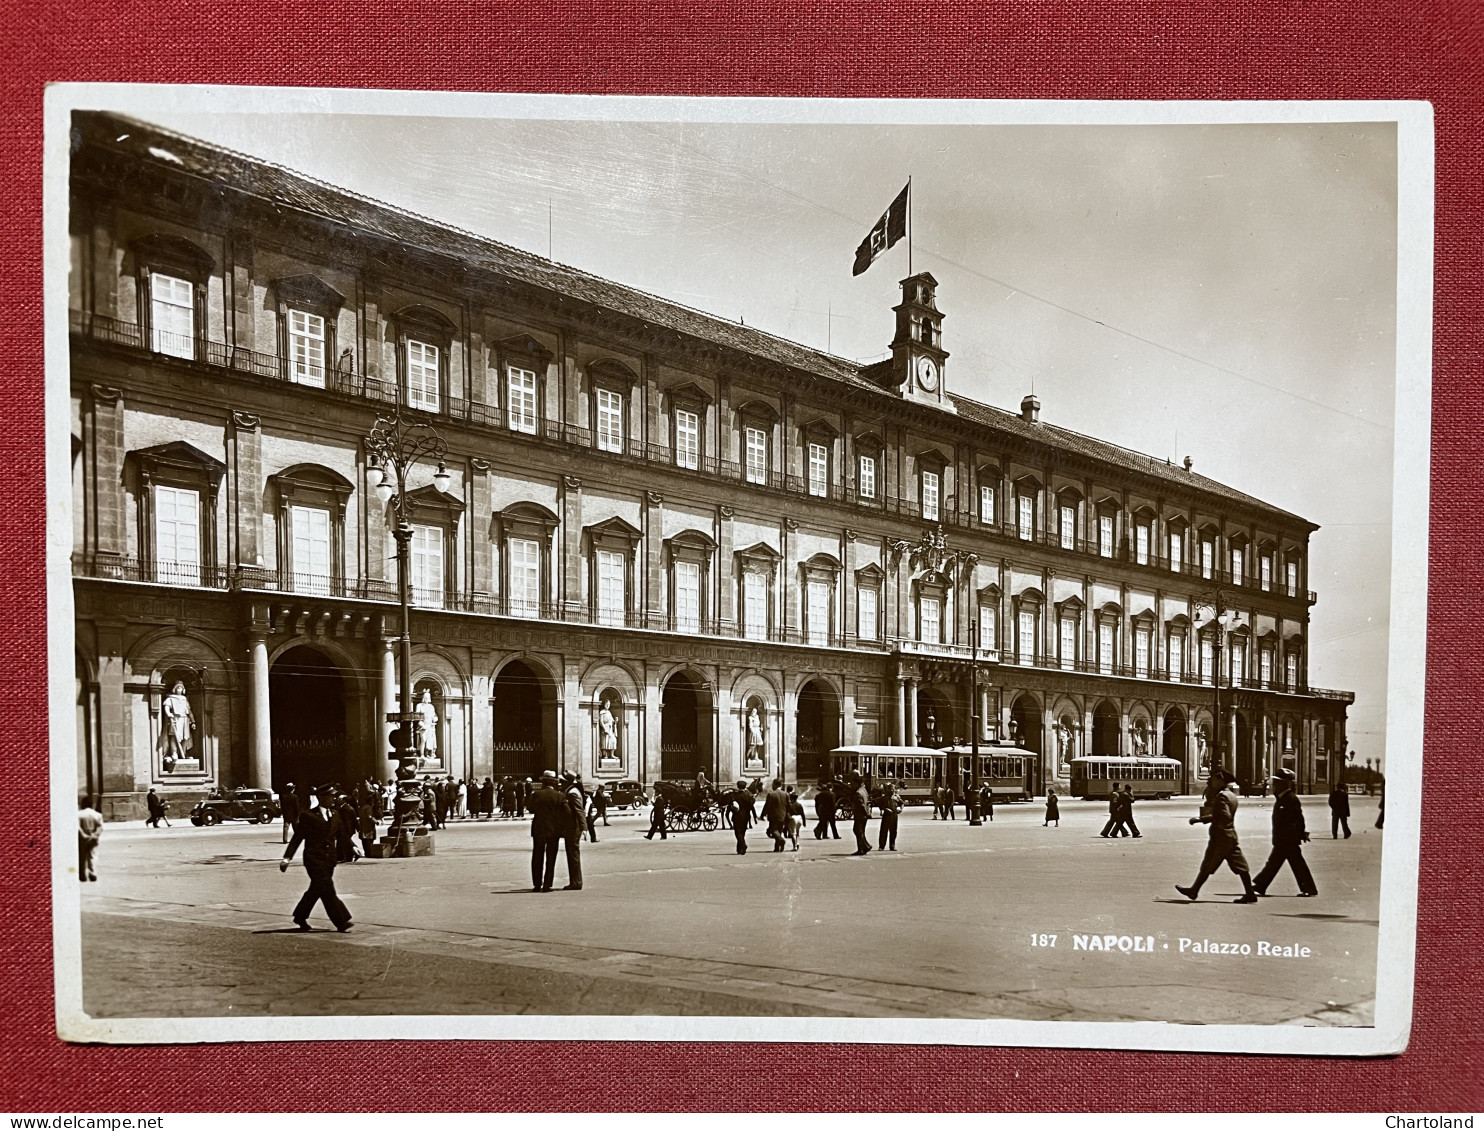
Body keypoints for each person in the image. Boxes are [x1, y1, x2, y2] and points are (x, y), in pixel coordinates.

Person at [1176, 768, 1259, 904]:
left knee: (1213, 864)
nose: (1212, 781)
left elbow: (1223, 816)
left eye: (1214, 778)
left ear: (1220, 780)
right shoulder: (1231, 795)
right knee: (1234, 865)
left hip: (1221, 837)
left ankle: (1194, 891)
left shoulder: (1222, 796)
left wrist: (1201, 819)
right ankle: (1194, 890)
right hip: (1228, 835)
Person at [280, 784, 353, 931]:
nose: (334, 799)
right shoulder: (309, 816)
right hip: (314, 860)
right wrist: (287, 857)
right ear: (321, 798)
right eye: (331, 796)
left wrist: (353, 847)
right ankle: (341, 921)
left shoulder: (335, 814)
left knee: (316, 890)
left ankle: (300, 917)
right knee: (327, 888)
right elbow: (298, 838)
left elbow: (342, 835)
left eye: (334, 796)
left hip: (329, 860)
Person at [1252, 768, 1318, 898]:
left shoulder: (1291, 799)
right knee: (1278, 863)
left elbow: (1298, 819)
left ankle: (1309, 888)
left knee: (1288, 864)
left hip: (1288, 840)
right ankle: (1261, 885)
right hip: (1283, 839)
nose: (1275, 784)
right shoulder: (1282, 798)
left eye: (1278, 782)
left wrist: (1299, 834)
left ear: (1286, 783)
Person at [527, 771, 567, 891]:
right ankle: (547, 884)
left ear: (543, 782)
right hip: (554, 830)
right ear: (554, 783)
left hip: (539, 828)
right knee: (551, 857)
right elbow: (566, 812)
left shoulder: (536, 794)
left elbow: (530, 809)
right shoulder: (560, 795)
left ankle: (537, 884)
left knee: (537, 856)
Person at [561, 774, 586, 890]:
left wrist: (583, 827)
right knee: (572, 855)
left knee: (573, 855)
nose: (561, 783)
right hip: (572, 827)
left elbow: (579, 810)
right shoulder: (571, 791)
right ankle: (575, 881)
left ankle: (576, 882)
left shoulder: (572, 793)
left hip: (573, 828)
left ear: (568, 782)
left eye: (563, 781)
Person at [78, 795, 102, 882]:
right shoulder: (97, 815)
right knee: (93, 856)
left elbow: (78, 827)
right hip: (93, 839)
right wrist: (95, 835)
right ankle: (93, 873)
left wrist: (84, 835)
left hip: (82, 839)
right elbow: (100, 827)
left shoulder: (79, 814)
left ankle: (82, 875)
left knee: (82, 857)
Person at [762, 778, 790, 853]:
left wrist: (762, 815)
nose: (772, 786)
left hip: (773, 816)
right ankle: (777, 847)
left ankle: (781, 840)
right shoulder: (786, 794)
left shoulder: (771, 794)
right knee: (779, 831)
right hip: (783, 816)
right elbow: (788, 806)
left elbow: (767, 806)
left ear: (775, 784)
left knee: (773, 830)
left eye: (773, 784)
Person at [848, 773, 872, 856]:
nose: (851, 785)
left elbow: (861, 805)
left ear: (857, 783)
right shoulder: (864, 790)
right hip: (863, 815)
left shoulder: (858, 793)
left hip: (860, 815)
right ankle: (865, 846)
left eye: (852, 784)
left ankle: (862, 849)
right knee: (860, 831)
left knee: (858, 831)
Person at [729, 780, 755, 855]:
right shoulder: (748, 795)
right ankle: (740, 849)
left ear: (737, 786)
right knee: (742, 832)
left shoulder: (734, 795)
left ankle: (743, 845)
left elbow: (731, 806)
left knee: (738, 832)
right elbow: (751, 804)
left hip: (737, 816)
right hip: (746, 816)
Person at [877, 781, 901, 851]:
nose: (892, 790)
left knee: (893, 831)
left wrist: (900, 809)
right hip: (886, 815)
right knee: (884, 831)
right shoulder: (884, 797)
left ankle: (892, 846)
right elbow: (880, 805)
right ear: (888, 789)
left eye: (893, 789)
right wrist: (885, 809)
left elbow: (902, 803)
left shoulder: (897, 797)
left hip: (894, 815)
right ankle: (881, 846)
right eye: (891, 789)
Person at [785, 787, 805, 851]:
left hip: (793, 818)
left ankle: (795, 846)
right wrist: (804, 822)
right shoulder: (799, 805)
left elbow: (788, 813)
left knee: (792, 833)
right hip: (799, 818)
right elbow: (802, 814)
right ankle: (798, 842)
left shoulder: (790, 805)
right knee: (797, 832)